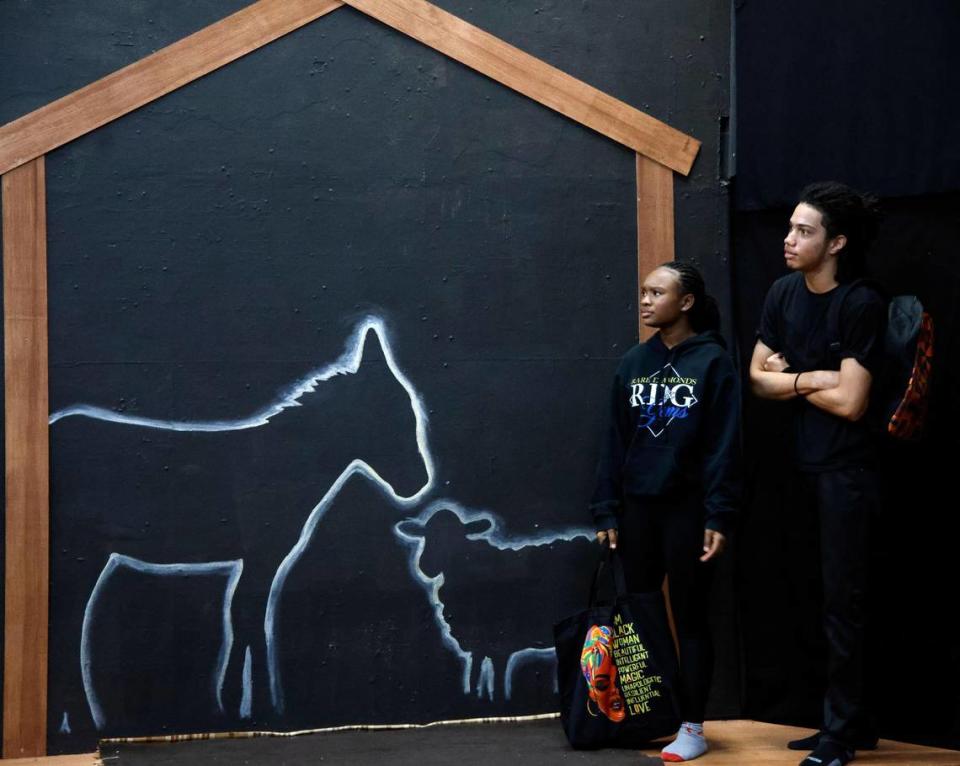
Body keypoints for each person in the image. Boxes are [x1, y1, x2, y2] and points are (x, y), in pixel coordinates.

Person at [749, 181, 885, 766]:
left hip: (847, 475)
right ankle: (845, 722)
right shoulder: (783, 292)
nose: (789, 238)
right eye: (790, 227)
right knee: (807, 596)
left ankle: (842, 735)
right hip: (797, 470)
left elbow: (855, 402)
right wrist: (814, 377)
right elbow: (757, 377)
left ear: (837, 243)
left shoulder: (860, 302)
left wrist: (791, 378)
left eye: (804, 231)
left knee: (843, 605)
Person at [590, 261, 741, 762]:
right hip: (637, 513)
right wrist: (606, 510)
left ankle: (693, 727)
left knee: (692, 619)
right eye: (644, 291)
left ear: (687, 301)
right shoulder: (633, 363)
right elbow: (613, 442)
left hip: (689, 512)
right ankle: (653, 717)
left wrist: (718, 514)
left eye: (658, 292)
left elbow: (725, 445)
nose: (646, 300)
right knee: (640, 621)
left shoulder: (713, 363)